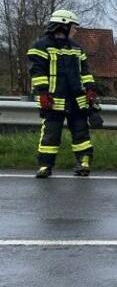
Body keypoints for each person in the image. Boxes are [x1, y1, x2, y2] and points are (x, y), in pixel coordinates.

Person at [28, 10, 97, 178]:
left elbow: (85, 71)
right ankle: (45, 166)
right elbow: (37, 72)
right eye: (73, 27)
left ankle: (84, 163)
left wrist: (90, 89)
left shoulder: (76, 48)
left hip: (77, 99)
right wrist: (43, 93)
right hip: (52, 99)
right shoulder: (40, 46)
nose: (75, 30)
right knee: (51, 134)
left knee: (81, 133)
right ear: (64, 25)